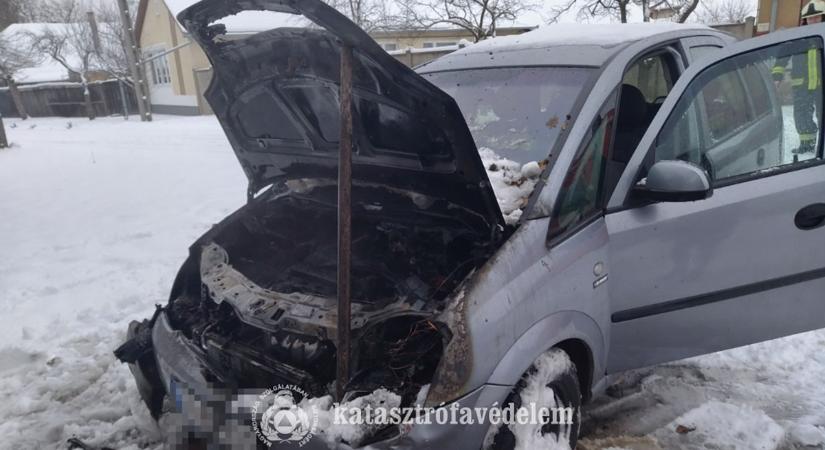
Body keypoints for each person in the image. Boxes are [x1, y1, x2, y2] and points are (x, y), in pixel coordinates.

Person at [772, 0, 824, 154]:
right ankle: (807, 144)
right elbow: (782, 57)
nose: (813, 20)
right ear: (805, 20)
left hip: (822, 85)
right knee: (801, 115)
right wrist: (777, 75)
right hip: (802, 85)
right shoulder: (798, 38)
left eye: (817, 17)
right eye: (810, 18)